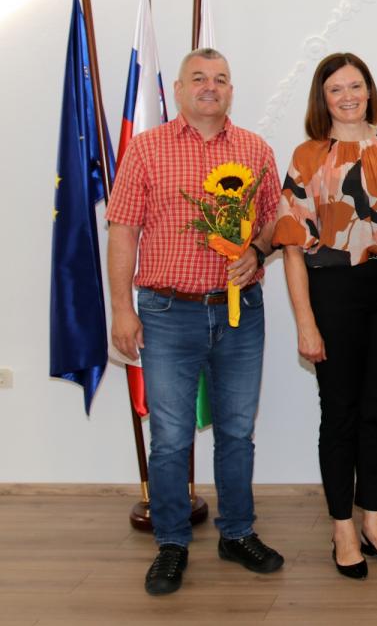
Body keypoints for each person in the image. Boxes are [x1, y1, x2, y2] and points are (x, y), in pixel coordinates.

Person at [106, 48, 284, 596]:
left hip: (239, 312)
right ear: (179, 90)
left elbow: (276, 222)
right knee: (169, 438)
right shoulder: (146, 149)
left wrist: (257, 249)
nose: (211, 87)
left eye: (221, 79)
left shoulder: (255, 150)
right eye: (199, 78)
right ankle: (171, 543)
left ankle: (237, 533)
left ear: (231, 90)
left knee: (237, 431)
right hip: (166, 313)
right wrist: (121, 308)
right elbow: (122, 230)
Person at [272, 52, 377, 580]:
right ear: (323, 98)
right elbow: (292, 247)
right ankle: (342, 527)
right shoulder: (308, 155)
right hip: (334, 292)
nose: (347, 96)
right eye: (335, 89)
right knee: (339, 412)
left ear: (370, 91)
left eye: (355, 86)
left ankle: (373, 522)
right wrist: (305, 322)